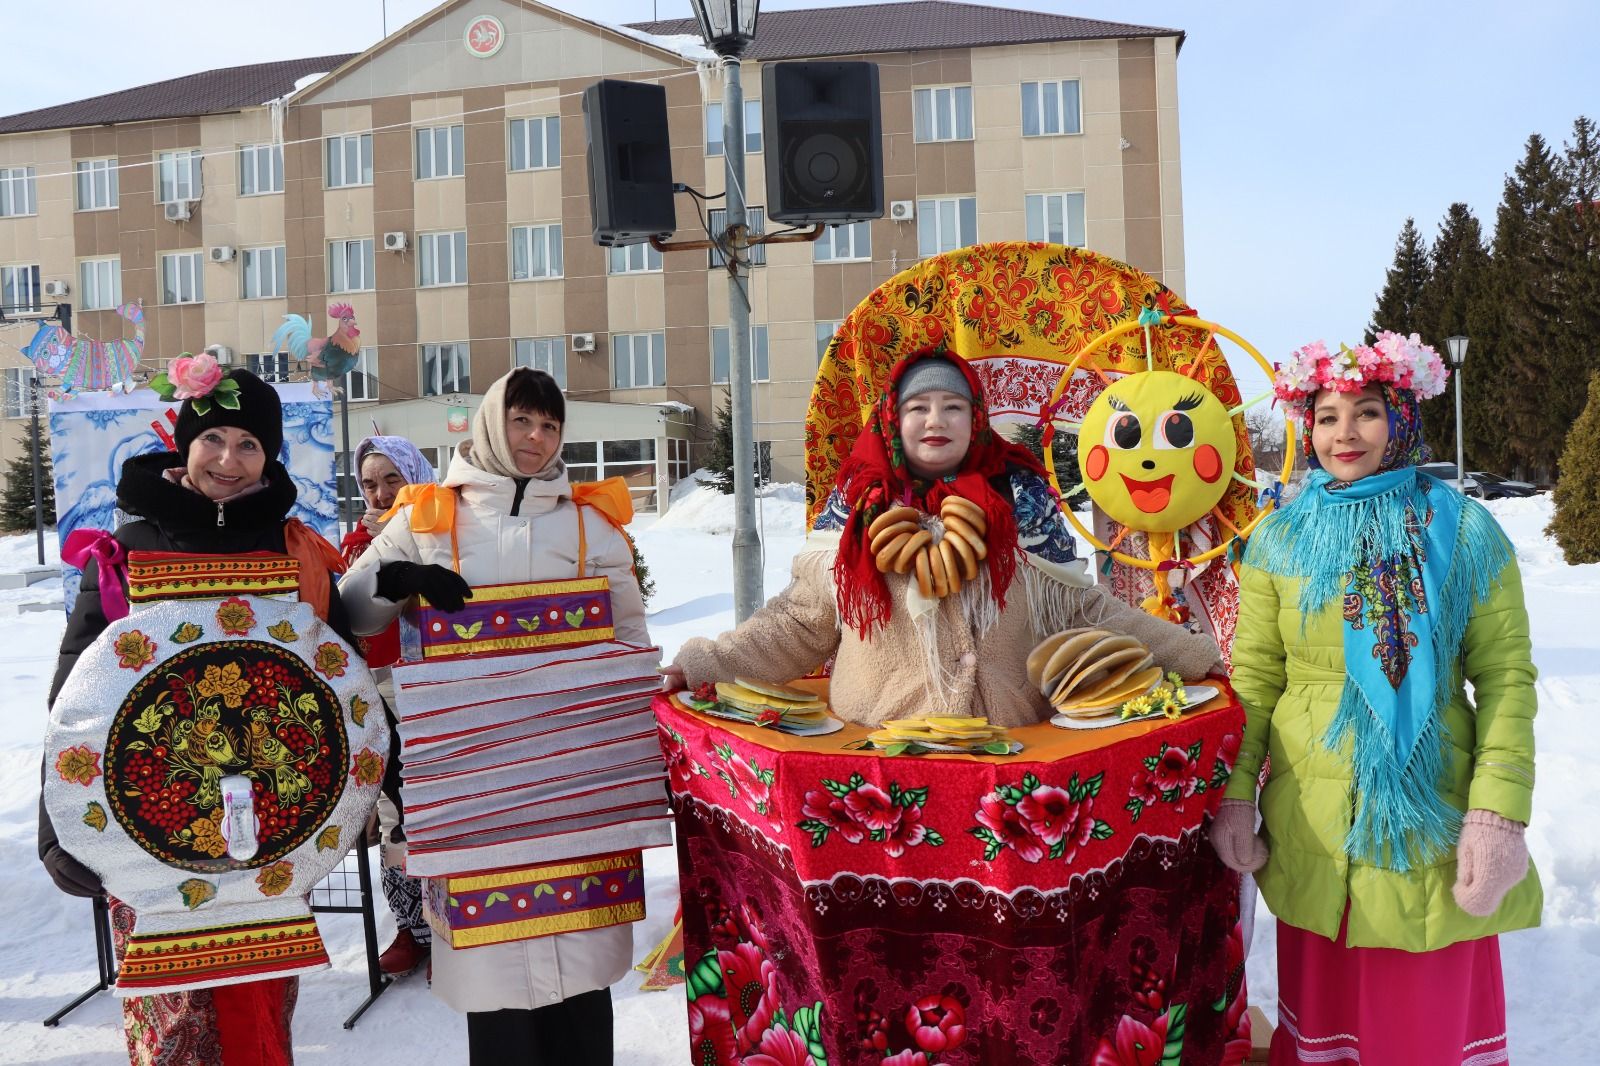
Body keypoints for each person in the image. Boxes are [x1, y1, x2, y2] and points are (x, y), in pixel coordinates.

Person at [1211, 335, 1540, 1065]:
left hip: (1429, 820)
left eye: (1366, 412)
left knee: (1417, 1029)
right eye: (1327, 417)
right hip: (1314, 820)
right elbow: (1255, 682)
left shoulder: (1466, 531)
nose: (1345, 433)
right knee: (1325, 1032)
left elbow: (1506, 677)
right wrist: (1236, 797)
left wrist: (1497, 814)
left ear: (1402, 420)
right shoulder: (1279, 539)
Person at [39, 364, 352, 1066]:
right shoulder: (128, 551)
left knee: (259, 1014)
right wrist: (56, 830)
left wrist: (356, 799)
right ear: (184, 445)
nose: (228, 459)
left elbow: (339, 687)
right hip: (146, 829)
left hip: (270, 831)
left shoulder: (293, 550)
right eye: (213, 438)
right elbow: (73, 705)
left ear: (269, 456)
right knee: (173, 1025)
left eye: (249, 444)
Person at [338, 368, 648, 1066]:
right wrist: (399, 578)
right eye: (521, 420)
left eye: (549, 425)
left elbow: (630, 635)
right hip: (472, 787)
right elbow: (352, 610)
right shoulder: (427, 515)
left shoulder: (588, 522)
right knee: (495, 969)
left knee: (580, 962)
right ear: (490, 422)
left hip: (570, 783)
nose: (535, 437)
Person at [663, 346, 1221, 725]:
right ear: (894, 419)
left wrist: (1193, 656)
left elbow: (1085, 612)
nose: (936, 420)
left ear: (975, 418)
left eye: (953, 407)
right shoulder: (856, 504)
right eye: (919, 408)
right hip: (879, 753)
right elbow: (798, 623)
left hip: (1009, 752)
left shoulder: (1022, 497)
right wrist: (704, 665)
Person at [340, 435, 438, 978]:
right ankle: (412, 927)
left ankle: (452, 923)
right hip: (373, 688)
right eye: (369, 483)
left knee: (437, 803)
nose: (379, 494)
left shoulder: (442, 531)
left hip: (429, 684)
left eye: (392, 480)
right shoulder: (356, 544)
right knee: (392, 809)